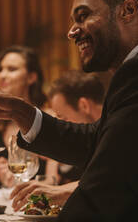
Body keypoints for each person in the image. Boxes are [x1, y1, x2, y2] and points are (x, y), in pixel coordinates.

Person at [0, 0, 138, 220]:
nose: (71, 31)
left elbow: (106, 189)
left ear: (128, 10)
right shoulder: (127, 74)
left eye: (83, 16)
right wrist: (20, 111)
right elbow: (95, 142)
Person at [9, 70, 105, 207]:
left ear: (84, 105)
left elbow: (111, 180)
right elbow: (51, 182)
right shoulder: (78, 144)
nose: (59, 123)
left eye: (61, 117)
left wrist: (60, 191)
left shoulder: (115, 134)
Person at [0, 45, 58, 187]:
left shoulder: (48, 119)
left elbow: (54, 181)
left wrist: (20, 183)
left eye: (12, 69)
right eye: (0, 69)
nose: (2, 75)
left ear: (31, 77)